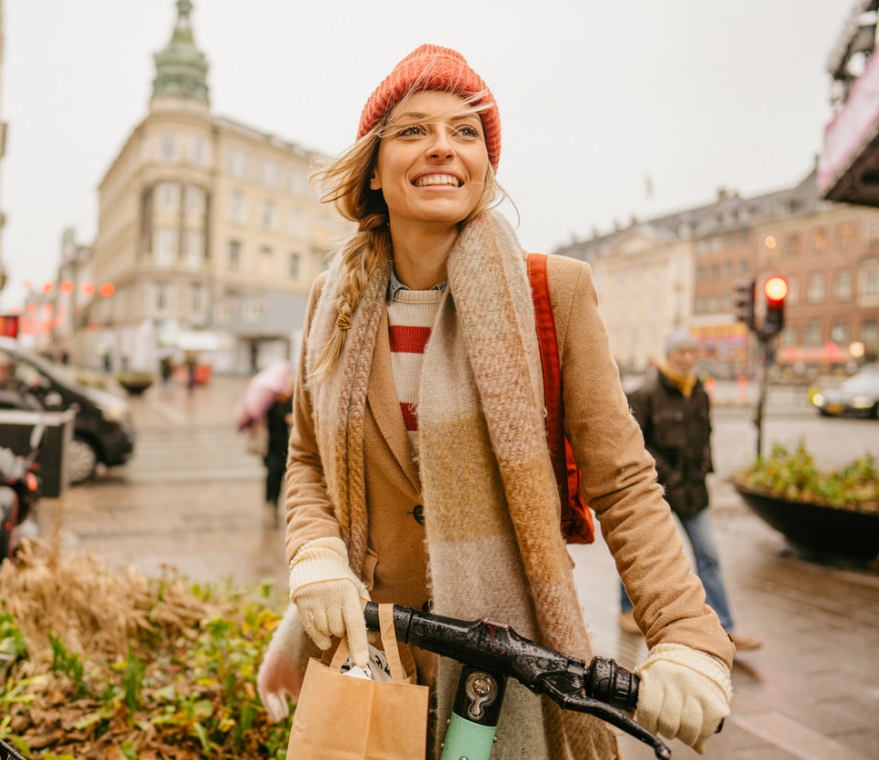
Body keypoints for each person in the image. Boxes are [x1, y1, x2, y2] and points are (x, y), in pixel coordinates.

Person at [257, 44, 734, 756]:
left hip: (503, 671)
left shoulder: (553, 295)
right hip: (368, 653)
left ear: (486, 165)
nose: (442, 147)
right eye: (413, 129)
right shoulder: (333, 300)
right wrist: (316, 554)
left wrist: (688, 637)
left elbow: (625, 483)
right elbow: (306, 462)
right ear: (375, 167)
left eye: (466, 130)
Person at [619, 330, 762, 651]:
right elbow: (639, 443)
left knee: (708, 555)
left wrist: (704, 468)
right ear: (668, 356)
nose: (685, 358)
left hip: (694, 493)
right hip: (658, 490)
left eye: (690, 352)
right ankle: (626, 608)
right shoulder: (645, 395)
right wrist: (668, 477)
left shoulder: (699, 393)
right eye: (679, 352)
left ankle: (725, 626)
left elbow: (704, 436)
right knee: (642, 551)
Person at [263, 387, 294, 526]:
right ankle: (270, 501)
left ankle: (275, 503)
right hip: (270, 447)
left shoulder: (289, 402)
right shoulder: (269, 403)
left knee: (279, 475)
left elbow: (292, 417)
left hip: (283, 448)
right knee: (271, 475)